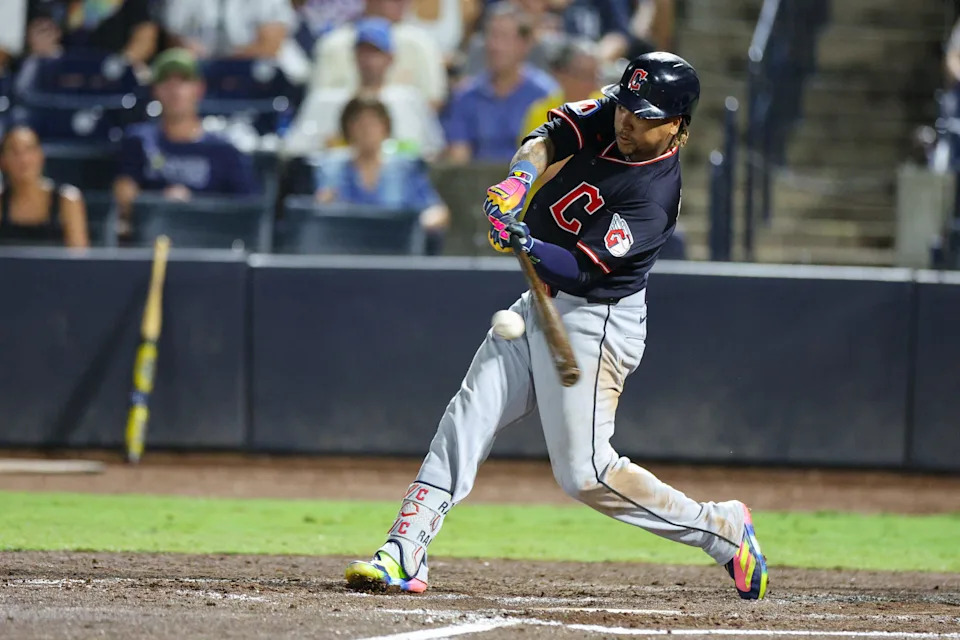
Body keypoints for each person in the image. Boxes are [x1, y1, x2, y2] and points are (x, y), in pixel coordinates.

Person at [343, 52, 769, 600]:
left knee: (585, 474)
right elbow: (549, 137)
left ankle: (722, 528)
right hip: (540, 300)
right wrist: (519, 182)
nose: (628, 122)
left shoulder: (654, 197)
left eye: (645, 117)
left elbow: (584, 267)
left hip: (596, 323)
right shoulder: (616, 111)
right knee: (468, 414)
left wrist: (527, 243)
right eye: (627, 108)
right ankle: (405, 549)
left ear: (677, 126)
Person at [113, 48, 260, 227]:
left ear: (199, 89)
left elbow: (247, 214)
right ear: (155, 90)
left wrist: (194, 207)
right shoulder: (139, 140)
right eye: (166, 82)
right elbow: (124, 199)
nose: (175, 91)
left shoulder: (224, 150)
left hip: (209, 241)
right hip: (153, 239)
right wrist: (159, 202)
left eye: (183, 81)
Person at [283, 17, 444, 159]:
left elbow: (432, 150)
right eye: (363, 53)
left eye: (376, 53)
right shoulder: (325, 100)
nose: (369, 61)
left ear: (390, 58)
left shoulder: (409, 100)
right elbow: (294, 149)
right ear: (354, 56)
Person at [313, 97, 450, 254]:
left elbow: (438, 212)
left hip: (396, 252)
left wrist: (420, 223)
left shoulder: (405, 168)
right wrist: (322, 204)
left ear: (385, 127)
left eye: (373, 123)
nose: (367, 130)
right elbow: (317, 210)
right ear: (347, 128)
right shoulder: (330, 167)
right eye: (359, 123)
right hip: (344, 251)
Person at [443, 2, 558, 163]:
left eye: (504, 37)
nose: (495, 46)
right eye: (492, 36)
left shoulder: (545, 95)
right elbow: (459, 158)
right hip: (477, 184)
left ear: (525, 44)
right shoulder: (466, 96)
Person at [309, 0, 447, 108]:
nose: (402, 3)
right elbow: (318, 103)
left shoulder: (421, 43)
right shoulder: (332, 45)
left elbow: (433, 100)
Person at [0, 125, 88, 247]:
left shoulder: (67, 201)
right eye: (14, 152)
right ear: (2, 160)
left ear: (40, 155)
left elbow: (79, 260)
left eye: (29, 150)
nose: (23, 160)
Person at [25, 0, 159, 68]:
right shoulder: (51, 3)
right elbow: (39, 32)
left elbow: (145, 36)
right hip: (61, 76)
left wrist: (123, 63)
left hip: (112, 77)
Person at [161, 0, 295, 60]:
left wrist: (220, 57)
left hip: (258, 75)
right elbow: (172, 37)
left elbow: (270, 48)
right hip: (200, 72)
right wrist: (184, 46)